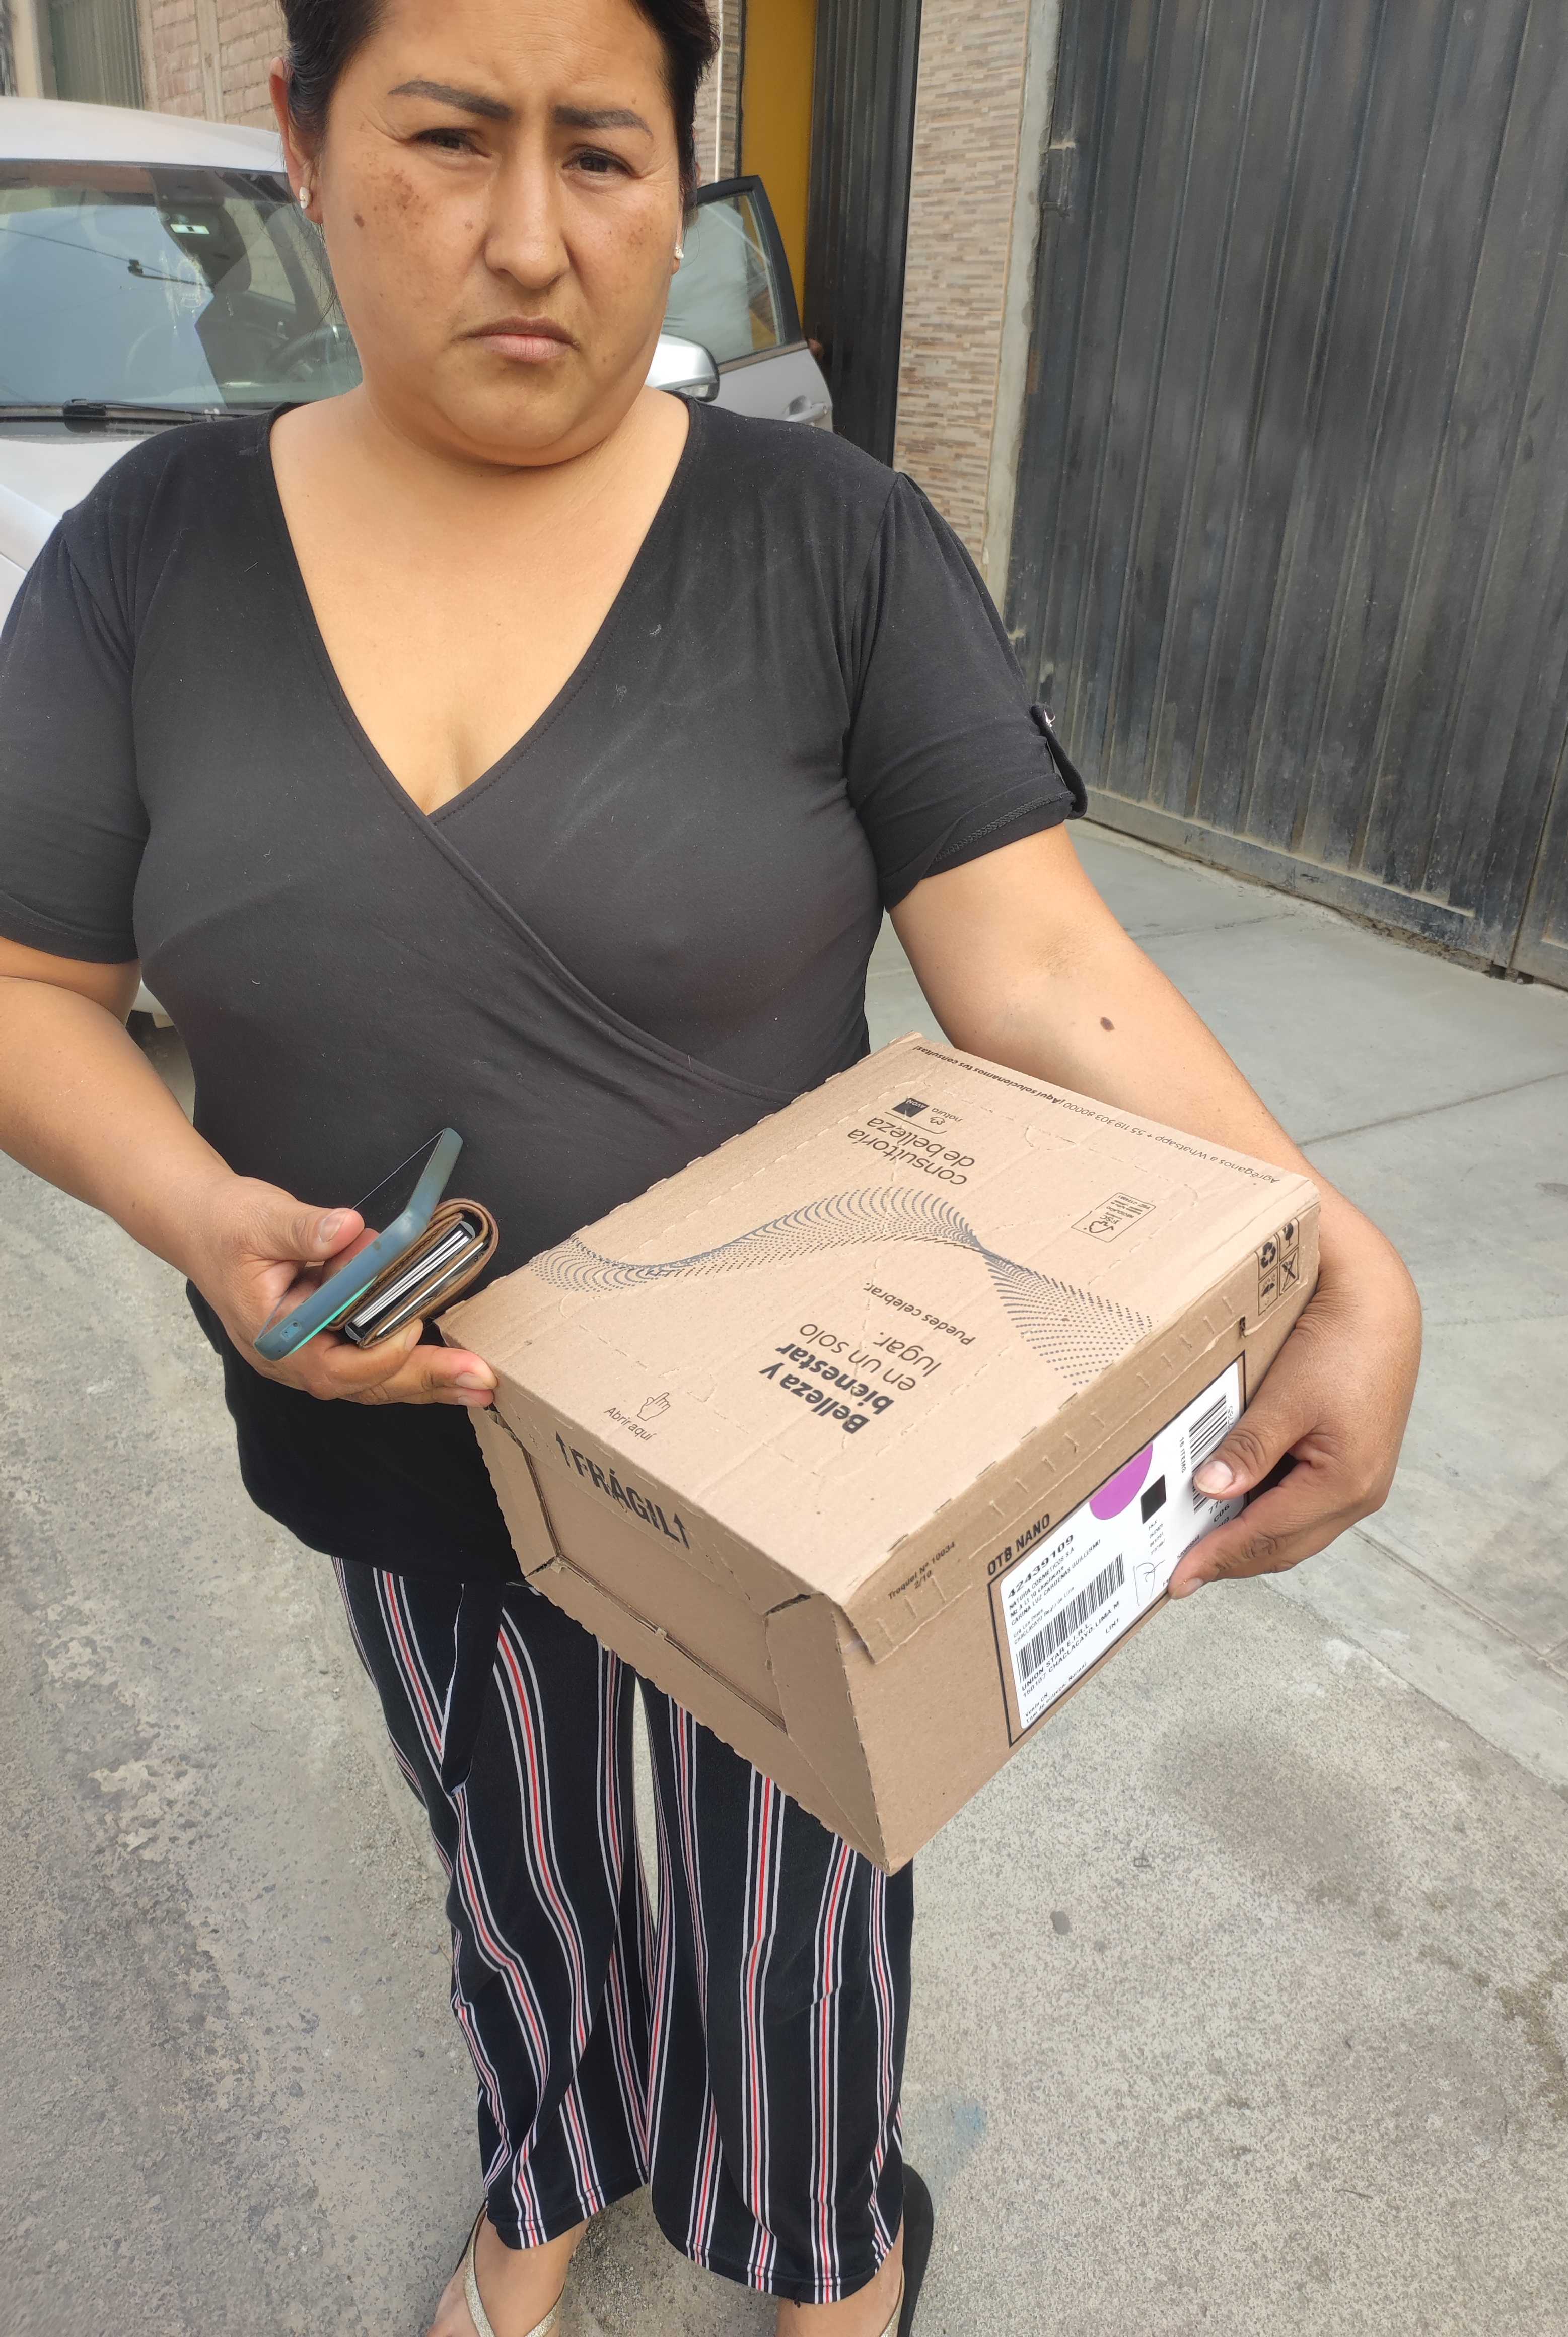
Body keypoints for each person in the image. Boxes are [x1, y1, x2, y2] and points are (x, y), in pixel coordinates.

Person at [0, 0, 1422, 2327]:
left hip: (801, 1469)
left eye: (603, 152)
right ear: (301, 135)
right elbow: (27, 981)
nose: (530, 237)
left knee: (800, 1884)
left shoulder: (828, 543)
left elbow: (1038, 958)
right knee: (509, 1848)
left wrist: (1337, 1258)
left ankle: (820, 2228)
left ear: (681, 178)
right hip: (393, 1431)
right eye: (447, 138)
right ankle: (550, 2162)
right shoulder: (153, 554)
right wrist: (196, 1211)